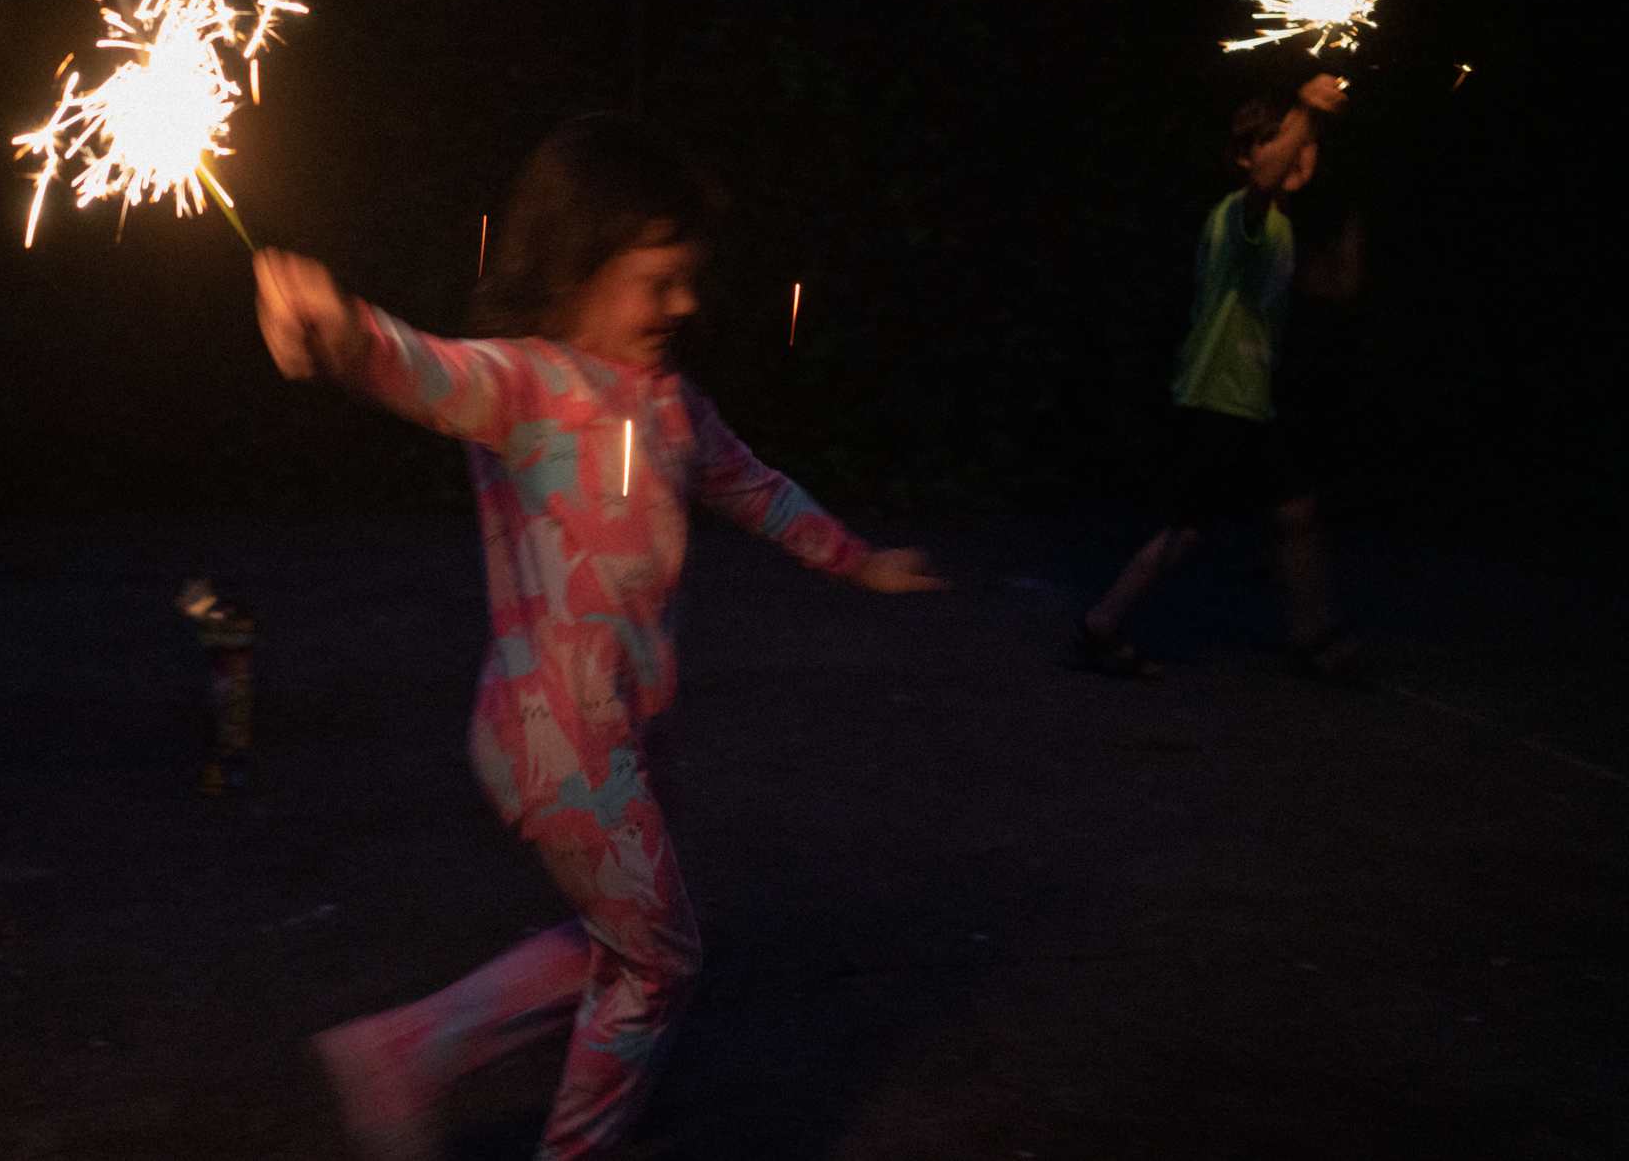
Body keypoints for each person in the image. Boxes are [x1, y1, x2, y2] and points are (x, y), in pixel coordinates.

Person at [253, 114, 946, 1160]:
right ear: (575, 265)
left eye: (687, 278)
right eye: (657, 279)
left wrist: (855, 557)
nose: (684, 303)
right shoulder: (522, 385)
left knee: (624, 945)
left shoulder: (669, 404)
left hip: (626, 725)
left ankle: (403, 1047)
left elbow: (751, 487)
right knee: (660, 959)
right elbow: (413, 366)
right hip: (555, 735)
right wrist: (338, 329)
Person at [1075, 74, 1359, 680]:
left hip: (1248, 403)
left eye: (1307, 142)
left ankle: (1311, 639)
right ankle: (1101, 625)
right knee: (1188, 532)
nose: (1301, 150)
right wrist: (1306, 111)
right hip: (1216, 397)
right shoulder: (1242, 213)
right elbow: (1263, 183)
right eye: (1282, 139)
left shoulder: (1279, 228)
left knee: (1296, 510)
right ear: (1243, 157)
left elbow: (1336, 288)